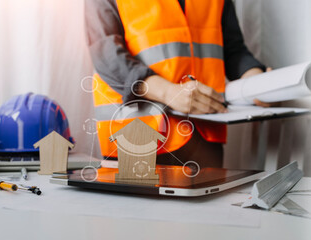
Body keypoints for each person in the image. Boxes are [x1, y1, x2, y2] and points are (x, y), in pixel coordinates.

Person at [85, 0, 269, 168]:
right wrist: (169, 93)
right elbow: (105, 51)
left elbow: (232, 49)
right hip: (137, 132)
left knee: (206, 203)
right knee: (138, 205)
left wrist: (256, 79)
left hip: (203, 130)